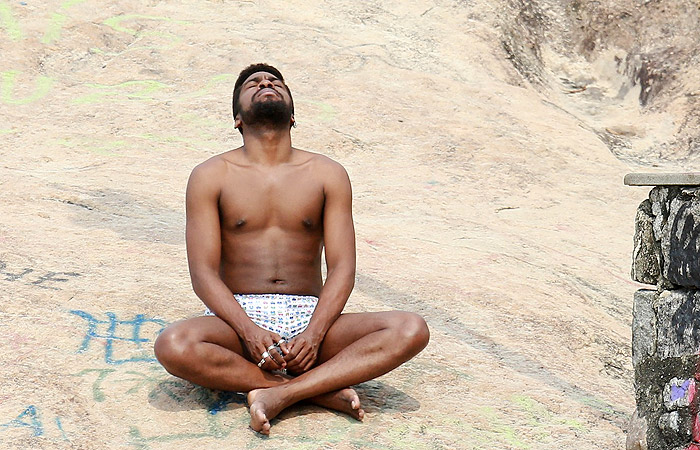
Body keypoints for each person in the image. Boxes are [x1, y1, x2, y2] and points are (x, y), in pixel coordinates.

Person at [154, 63, 430, 435]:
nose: (266, 84)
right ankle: (301, 390)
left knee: (410, 328)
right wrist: (248, 330)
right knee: (173, 344)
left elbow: (343, 267)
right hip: (238, 318)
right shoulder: (211, 175)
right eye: (254, 83)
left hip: (310, 314)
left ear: (293, 115)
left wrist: (314, 335)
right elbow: (203, 273)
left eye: (274, 82)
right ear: (237, 117)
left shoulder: (326, 173)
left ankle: (282, 393)